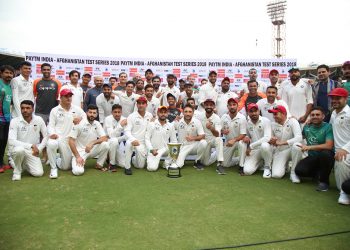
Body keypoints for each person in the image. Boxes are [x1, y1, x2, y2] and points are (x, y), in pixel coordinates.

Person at [47, 89, 86, 179]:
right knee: (51, 143)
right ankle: (53, 169)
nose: (69, 98)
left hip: (71, 140)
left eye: (70, 96)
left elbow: (85, 117)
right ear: (61, 98)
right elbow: (51, 125)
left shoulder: (76, 109)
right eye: (66, 96)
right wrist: (52, 133)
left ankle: (56, 158)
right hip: (59, 138)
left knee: (66, 167)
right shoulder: (55, 110)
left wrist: (80, 119)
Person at [293, 107, 334, 191]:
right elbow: (299, 137)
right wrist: (293, 121)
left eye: (317, 115)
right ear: (310, 117)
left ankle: (324, 182)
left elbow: (329, 145)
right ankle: (317, 173)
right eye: (312, 115)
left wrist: (310, 147)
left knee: (325, 154)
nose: (315, 116)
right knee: (299, 171)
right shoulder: (307, 127)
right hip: (312, 157)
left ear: (323, 116)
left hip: (325, 157)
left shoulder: (328, 127)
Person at [8, 100, 47, 181]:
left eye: (28, 108)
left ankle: (23, 164)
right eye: (23, 108)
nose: (25, 110)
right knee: (19, 150)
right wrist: (31, 146)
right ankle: (17, 171)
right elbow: (11, 141)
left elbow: (46, 136)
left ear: (33, 109)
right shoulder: (14, 121)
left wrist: (39, 149)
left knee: (38, 173)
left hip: (32, 152)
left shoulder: (39, 119)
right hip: (17, 150)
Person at [68, 104, 109, 175]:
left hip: (91, 149)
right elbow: (71, 141)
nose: (92, 115)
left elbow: (104, 138)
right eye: (90, 112)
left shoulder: (97, 124)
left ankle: (99, 164)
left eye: (94, 113)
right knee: (78, 172)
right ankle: (59, 160)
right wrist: (78, 157)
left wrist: (92, 142)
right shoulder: (79, 123)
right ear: (86, 113)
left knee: (106, 144)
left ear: (97, 114)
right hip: (80, 152)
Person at [267, 105, 302, 180]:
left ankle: (293, 173)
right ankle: (286, 166)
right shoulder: (272, 124)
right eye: (273, 114)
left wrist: (282, 142)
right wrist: (272, 141)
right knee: (276, 175)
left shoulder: (293, 121)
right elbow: (270, 139)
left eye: (276, 114)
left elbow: (299, 137)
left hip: (292, 149)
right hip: (280, 151)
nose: (274, 116)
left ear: (284, 114)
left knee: (297, 146)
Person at [328, 88, 350, 205]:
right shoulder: (334, 113)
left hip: (346, 150)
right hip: (337, 151)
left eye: (338, 98)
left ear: (345, 99)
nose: (334, 100)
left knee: (342, 159)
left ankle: (344, 193)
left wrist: (345, 149)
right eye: (333, 98)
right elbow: (330, 128)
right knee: (338, 184)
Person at [171, 104, 207, 170]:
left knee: (203, 143)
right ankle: (181, 160)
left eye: (190, 112)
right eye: (186, 111)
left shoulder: (197, 122)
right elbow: (168, 127)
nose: (188, 114)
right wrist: (174, 121)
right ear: (183, 112)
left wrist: (193, 138)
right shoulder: (178, 121)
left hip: (194, 146)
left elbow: (203, 136)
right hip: (182, 147)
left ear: (193, 113)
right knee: (178, 165)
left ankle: (198, 161)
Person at [124, 96, 153, 175]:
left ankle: (133, 158)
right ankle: (127, 167)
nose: (141, 105)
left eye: (143, 103)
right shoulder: (131, 116)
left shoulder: (150, 116)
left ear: (146, 105)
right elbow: (127, 130)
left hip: (143, 144)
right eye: (139, 103)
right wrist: (133, 139)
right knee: (128, 143)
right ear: (136, 105)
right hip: (133, 141)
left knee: (140, 166)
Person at [241, 103, 272, 176]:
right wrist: (247, 137)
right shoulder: (248, 123)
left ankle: (267, 167)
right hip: (255, 150)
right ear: (248, 113)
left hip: (266, 149)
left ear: (259, 111)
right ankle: (260, 163)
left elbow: (267, 138)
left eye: (255, 111)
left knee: (264, 145)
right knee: (247, 171)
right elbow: (248, 135)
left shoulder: (266, 121)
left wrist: (251, 146)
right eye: (251, 111)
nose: (254, 113)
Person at [145, 106, 177, 171]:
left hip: (165, 149)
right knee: (151, 168)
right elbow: (147, 138)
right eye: (161, 112)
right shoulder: (152, 124)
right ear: (157, 113)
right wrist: (151, 149)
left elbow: (174, 141)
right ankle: (135, 158)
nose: (163, 114)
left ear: (167, 113)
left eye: (165, 112)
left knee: (175, 146)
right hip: (154, 151)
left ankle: (166, 163)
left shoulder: (170, 125)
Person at [198, 98, 225, 174]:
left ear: (214, 106)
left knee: (219, 140)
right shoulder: (200, 116)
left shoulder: (217, 118)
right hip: (204, 142)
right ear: (204, 106)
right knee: (206, 163)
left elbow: (217, 134)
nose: (209, 106)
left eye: (211, 105)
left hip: (213, 140)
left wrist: (211, 128)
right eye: (207, 105)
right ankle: (217, 153)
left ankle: (220, 163)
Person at [221, 98, 247, 169]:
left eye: (234, 105)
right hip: (229, 142)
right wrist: (223, 131)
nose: (232, 107)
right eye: (230, 105)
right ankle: (238, 160)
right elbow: (220, 129)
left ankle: (241, 166)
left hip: (239, 141)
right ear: (227, 106)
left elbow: (243, 134)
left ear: (237, 106)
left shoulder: (242, 117)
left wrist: (234, 140)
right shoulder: (224, 117)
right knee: (224, 164)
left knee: (242, 144)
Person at [104, 104, 127, 171]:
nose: (117, 114)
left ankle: (110, 157)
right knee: (113, 140)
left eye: (119, 112)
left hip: (119, 142)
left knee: (123, 165)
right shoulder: (108, 119)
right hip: (107, 141)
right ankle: (112, 164)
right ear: (112, 112)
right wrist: (120, 125)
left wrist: (118, 139)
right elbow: (111, 135)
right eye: (115, 112)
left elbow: (126, 136)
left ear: (121, 112)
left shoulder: (124, 119)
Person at [0, 65, 14, 173]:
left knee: (4, 141)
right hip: (0, 118)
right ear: (1, 73)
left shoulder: (9, 86)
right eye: (7, 73)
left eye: (10, 73)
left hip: (6, 118)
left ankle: (2, 162)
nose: (9, 75)